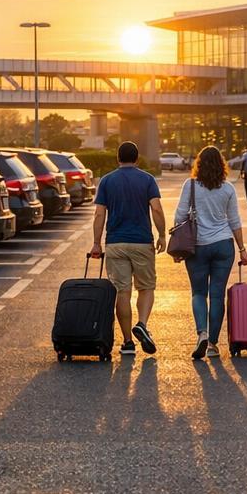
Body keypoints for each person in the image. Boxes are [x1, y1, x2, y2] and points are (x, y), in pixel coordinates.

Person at [90, 142, 166, 357]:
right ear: (137, 158)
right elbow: (157, 209)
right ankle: (142, 323)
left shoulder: (107, 181)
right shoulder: (147, 180)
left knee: (122, 291)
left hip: (115, 243)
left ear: (118, 158)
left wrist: (97, 242)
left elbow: (99, 214)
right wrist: (161, 235)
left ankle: (128, 343)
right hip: (142, 241)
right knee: (146, 287)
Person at [175, 146, 247, 360]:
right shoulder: (227, 189)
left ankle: (202, 333)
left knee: (199, 293)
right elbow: (234, 221)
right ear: (222, 165)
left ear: (198, 164)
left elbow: (180, 215)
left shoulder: (189, 186)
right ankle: (212, 345)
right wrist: (242, 249)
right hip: (223, 245)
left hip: (197, 246)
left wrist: (179, 247)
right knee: (217, 295)